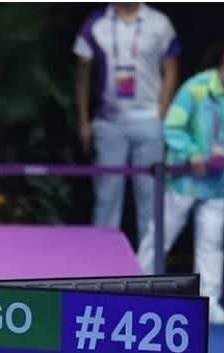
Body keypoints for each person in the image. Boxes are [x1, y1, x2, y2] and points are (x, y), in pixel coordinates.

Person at [138, 33, 224, 325]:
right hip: (184, 181)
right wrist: (192, 153)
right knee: (160, 237)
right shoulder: (196, 88)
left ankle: (209, 300)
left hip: (218, 184)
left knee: (211, 244)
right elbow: (173, 127)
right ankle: (133, 291)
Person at [74, 3, 179, 258]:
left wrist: (161, 117)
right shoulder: (95, 23)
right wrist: (84, 122)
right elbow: (82, 75)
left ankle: (150, 268)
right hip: (109, 122)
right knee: (106, 198)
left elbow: (171, 70)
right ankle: (101, 264)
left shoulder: (159, 23)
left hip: (149, 121)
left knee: (150, 200)